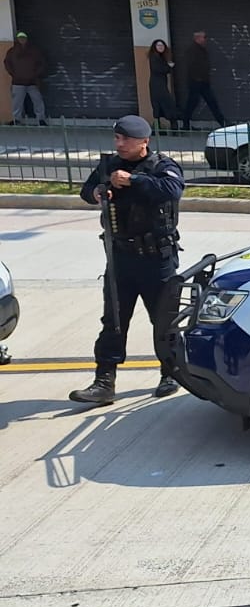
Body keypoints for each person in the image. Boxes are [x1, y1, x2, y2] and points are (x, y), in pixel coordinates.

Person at [69, 115, 185, 406]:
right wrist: (97, 191)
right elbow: (87, 190)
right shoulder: (108, 165)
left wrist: (133, 180)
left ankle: (171, 373)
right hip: (121, 257)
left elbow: (172, 190)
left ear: (144, 142)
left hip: (157, 257)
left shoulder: (162, 166)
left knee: (163, 319)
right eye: (117, 138)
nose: (120, 144)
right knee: (114, 320)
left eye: (126, 139)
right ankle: (104, 382)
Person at [182, 30, 226, 129]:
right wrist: (197, 78)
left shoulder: (202, 49)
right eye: (204, 37)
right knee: (193, 103)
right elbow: (191, 66)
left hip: (203, 82)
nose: (205, 39)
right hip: (196, 82)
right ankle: (185, 122)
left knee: (210, 102)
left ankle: (222, 122)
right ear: (198, 38)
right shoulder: (192, 50)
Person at [5, 30, 48, 126]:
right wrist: (14, 74)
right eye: (20, 38)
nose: (22, 39)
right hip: (18, 81)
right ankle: (17, 119)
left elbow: (42, 63)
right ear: (17, 39)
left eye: (23, 38)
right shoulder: (12, 52)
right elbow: (7, 64)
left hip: (33, 81)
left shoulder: (35, 51)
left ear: (27, 39)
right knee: (17, 102)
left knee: (37, 101)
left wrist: (35, 74)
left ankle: (41, 119)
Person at [147, 40, 180, 130]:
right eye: (158, 45)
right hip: (157, 85)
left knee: (160, 104)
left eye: (162, 45)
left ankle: (160, 126)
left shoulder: (162, 57)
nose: (160, 47)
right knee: (165, 103)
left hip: (160, 83)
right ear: (155, 47)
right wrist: (169, 66)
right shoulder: (154, 57)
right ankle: (166, 125)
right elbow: (158, 69)